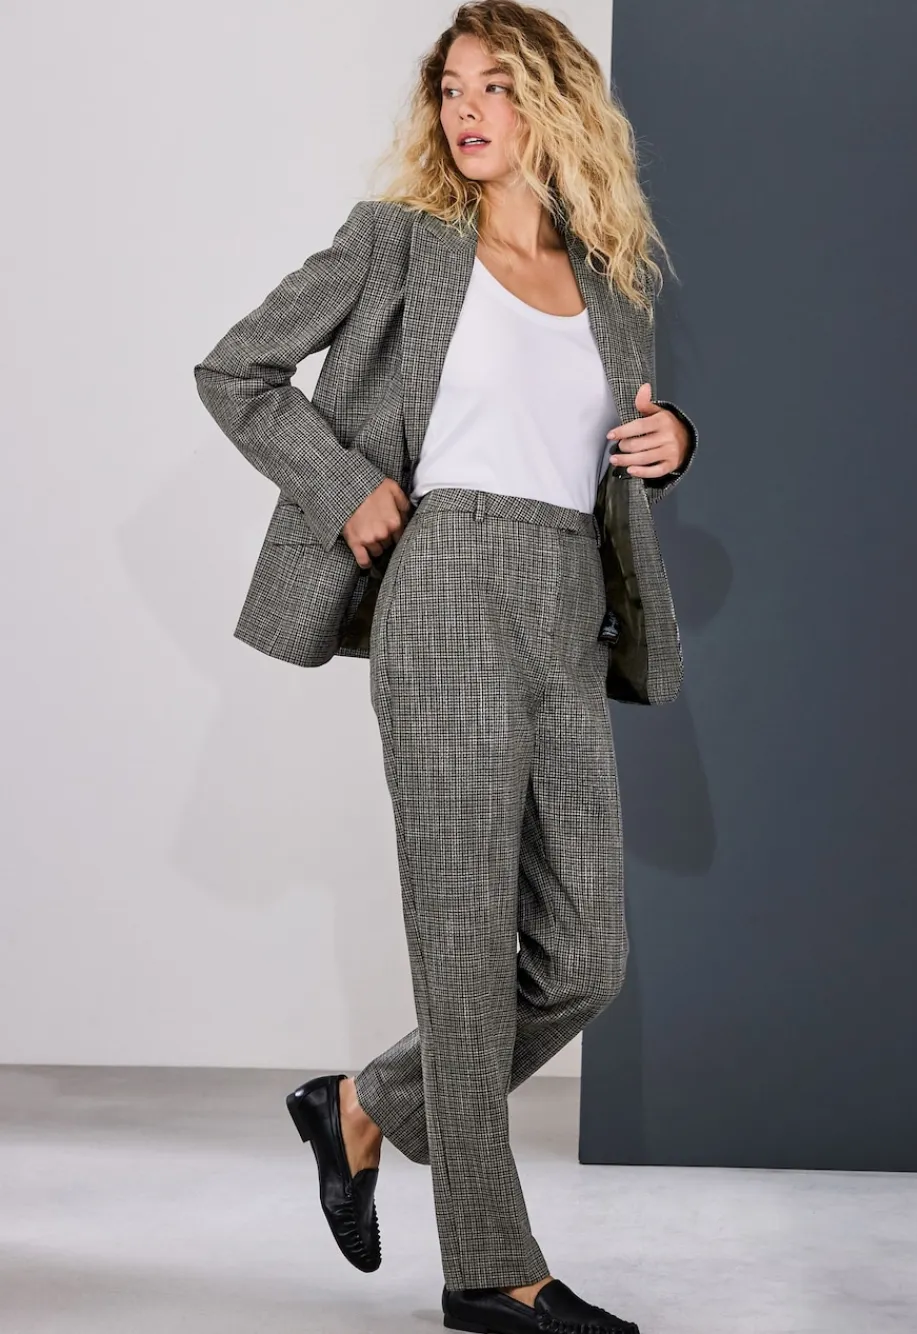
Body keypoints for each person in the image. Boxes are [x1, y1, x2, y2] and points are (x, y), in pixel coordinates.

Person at [194, 4, 698, 1331]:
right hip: (449, 585)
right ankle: (490, 1267)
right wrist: (344, 483)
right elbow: (238, 370)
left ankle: (361, 1106)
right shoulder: (401, 241)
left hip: (570, 601)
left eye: (497, 87)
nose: (467, 110)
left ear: (553, 104)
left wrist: (674, 444)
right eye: (453, 89)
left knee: (585, 953)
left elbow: (602, 439)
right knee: (466, 950)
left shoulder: (609, 280)